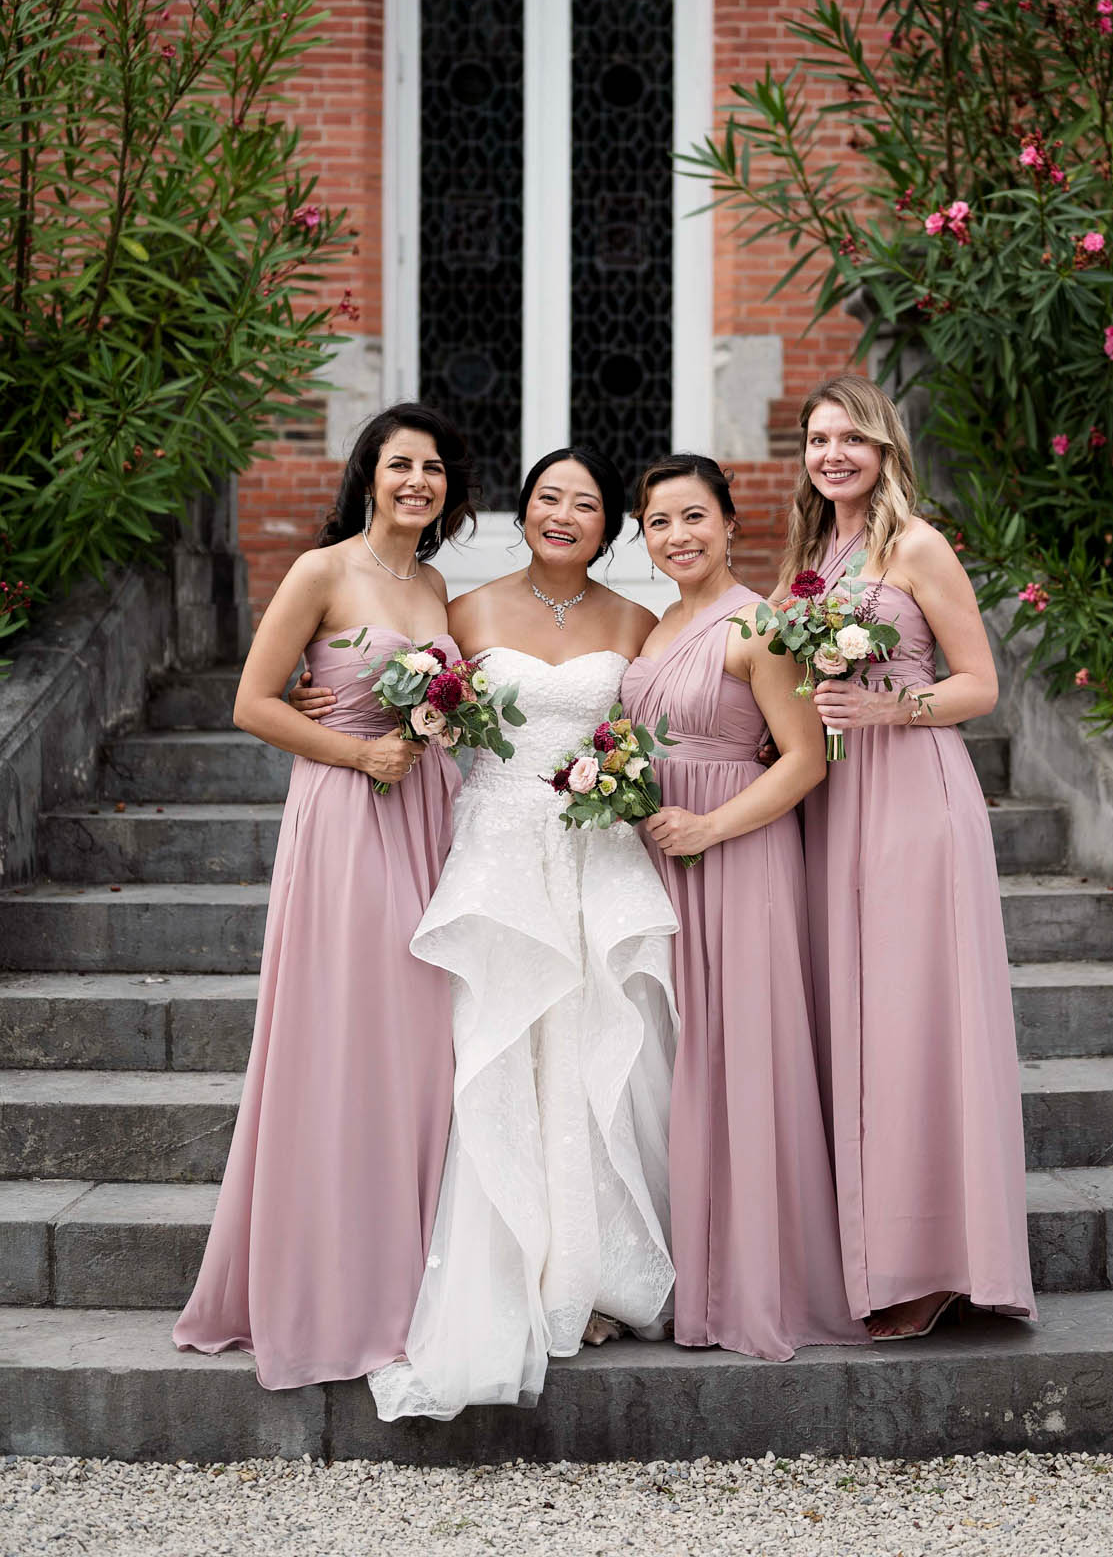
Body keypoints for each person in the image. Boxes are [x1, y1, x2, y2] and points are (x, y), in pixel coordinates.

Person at [360, 448, 680, 1421]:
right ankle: (519, 1269)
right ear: (522, 509)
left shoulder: (637, 623)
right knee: (502, 1053)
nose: (564, 513)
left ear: (608, 526)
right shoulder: (464, 610)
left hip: (594, 854)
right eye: (549, 497)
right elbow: (415, 710)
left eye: (585, 502)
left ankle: (594, 1274)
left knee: (598, 1064)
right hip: (498, 851)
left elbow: (658, 728)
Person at [174, 403, 474, 1388]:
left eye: (432, 468)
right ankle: (326, 1288)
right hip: (346, 814)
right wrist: (355, 747)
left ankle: (409, 1273)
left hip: (426, 814)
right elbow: (253, 700)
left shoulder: (434, 583)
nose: (416, 481)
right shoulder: (321, 570)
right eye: (400, 464)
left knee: (420, 1041)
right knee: (349, 1033)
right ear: (368, 473)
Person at [789, 374, 1036, 1338]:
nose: (833, 455)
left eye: (852, 439)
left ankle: (937, 1259)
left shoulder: (916, 545)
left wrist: (890, 706)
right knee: (858, 1020)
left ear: (886, 450)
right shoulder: (815, 552)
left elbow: (980, 684)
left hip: (916, 794)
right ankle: (873, 1248)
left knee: (915, 1019)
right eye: (818, 440)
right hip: (838, 795)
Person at [619, 454, 865, 1362]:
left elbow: (804, 759)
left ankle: (751, 1284)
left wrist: (712, 827)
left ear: (730, 525)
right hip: (661, 854)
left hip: (738, 852)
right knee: (677, 1061)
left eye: (694, 518)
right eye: (658, 523)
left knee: (739, 1058)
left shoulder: (761, 626)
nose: (678, 537)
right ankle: (680, 1269)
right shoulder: (651, 631)